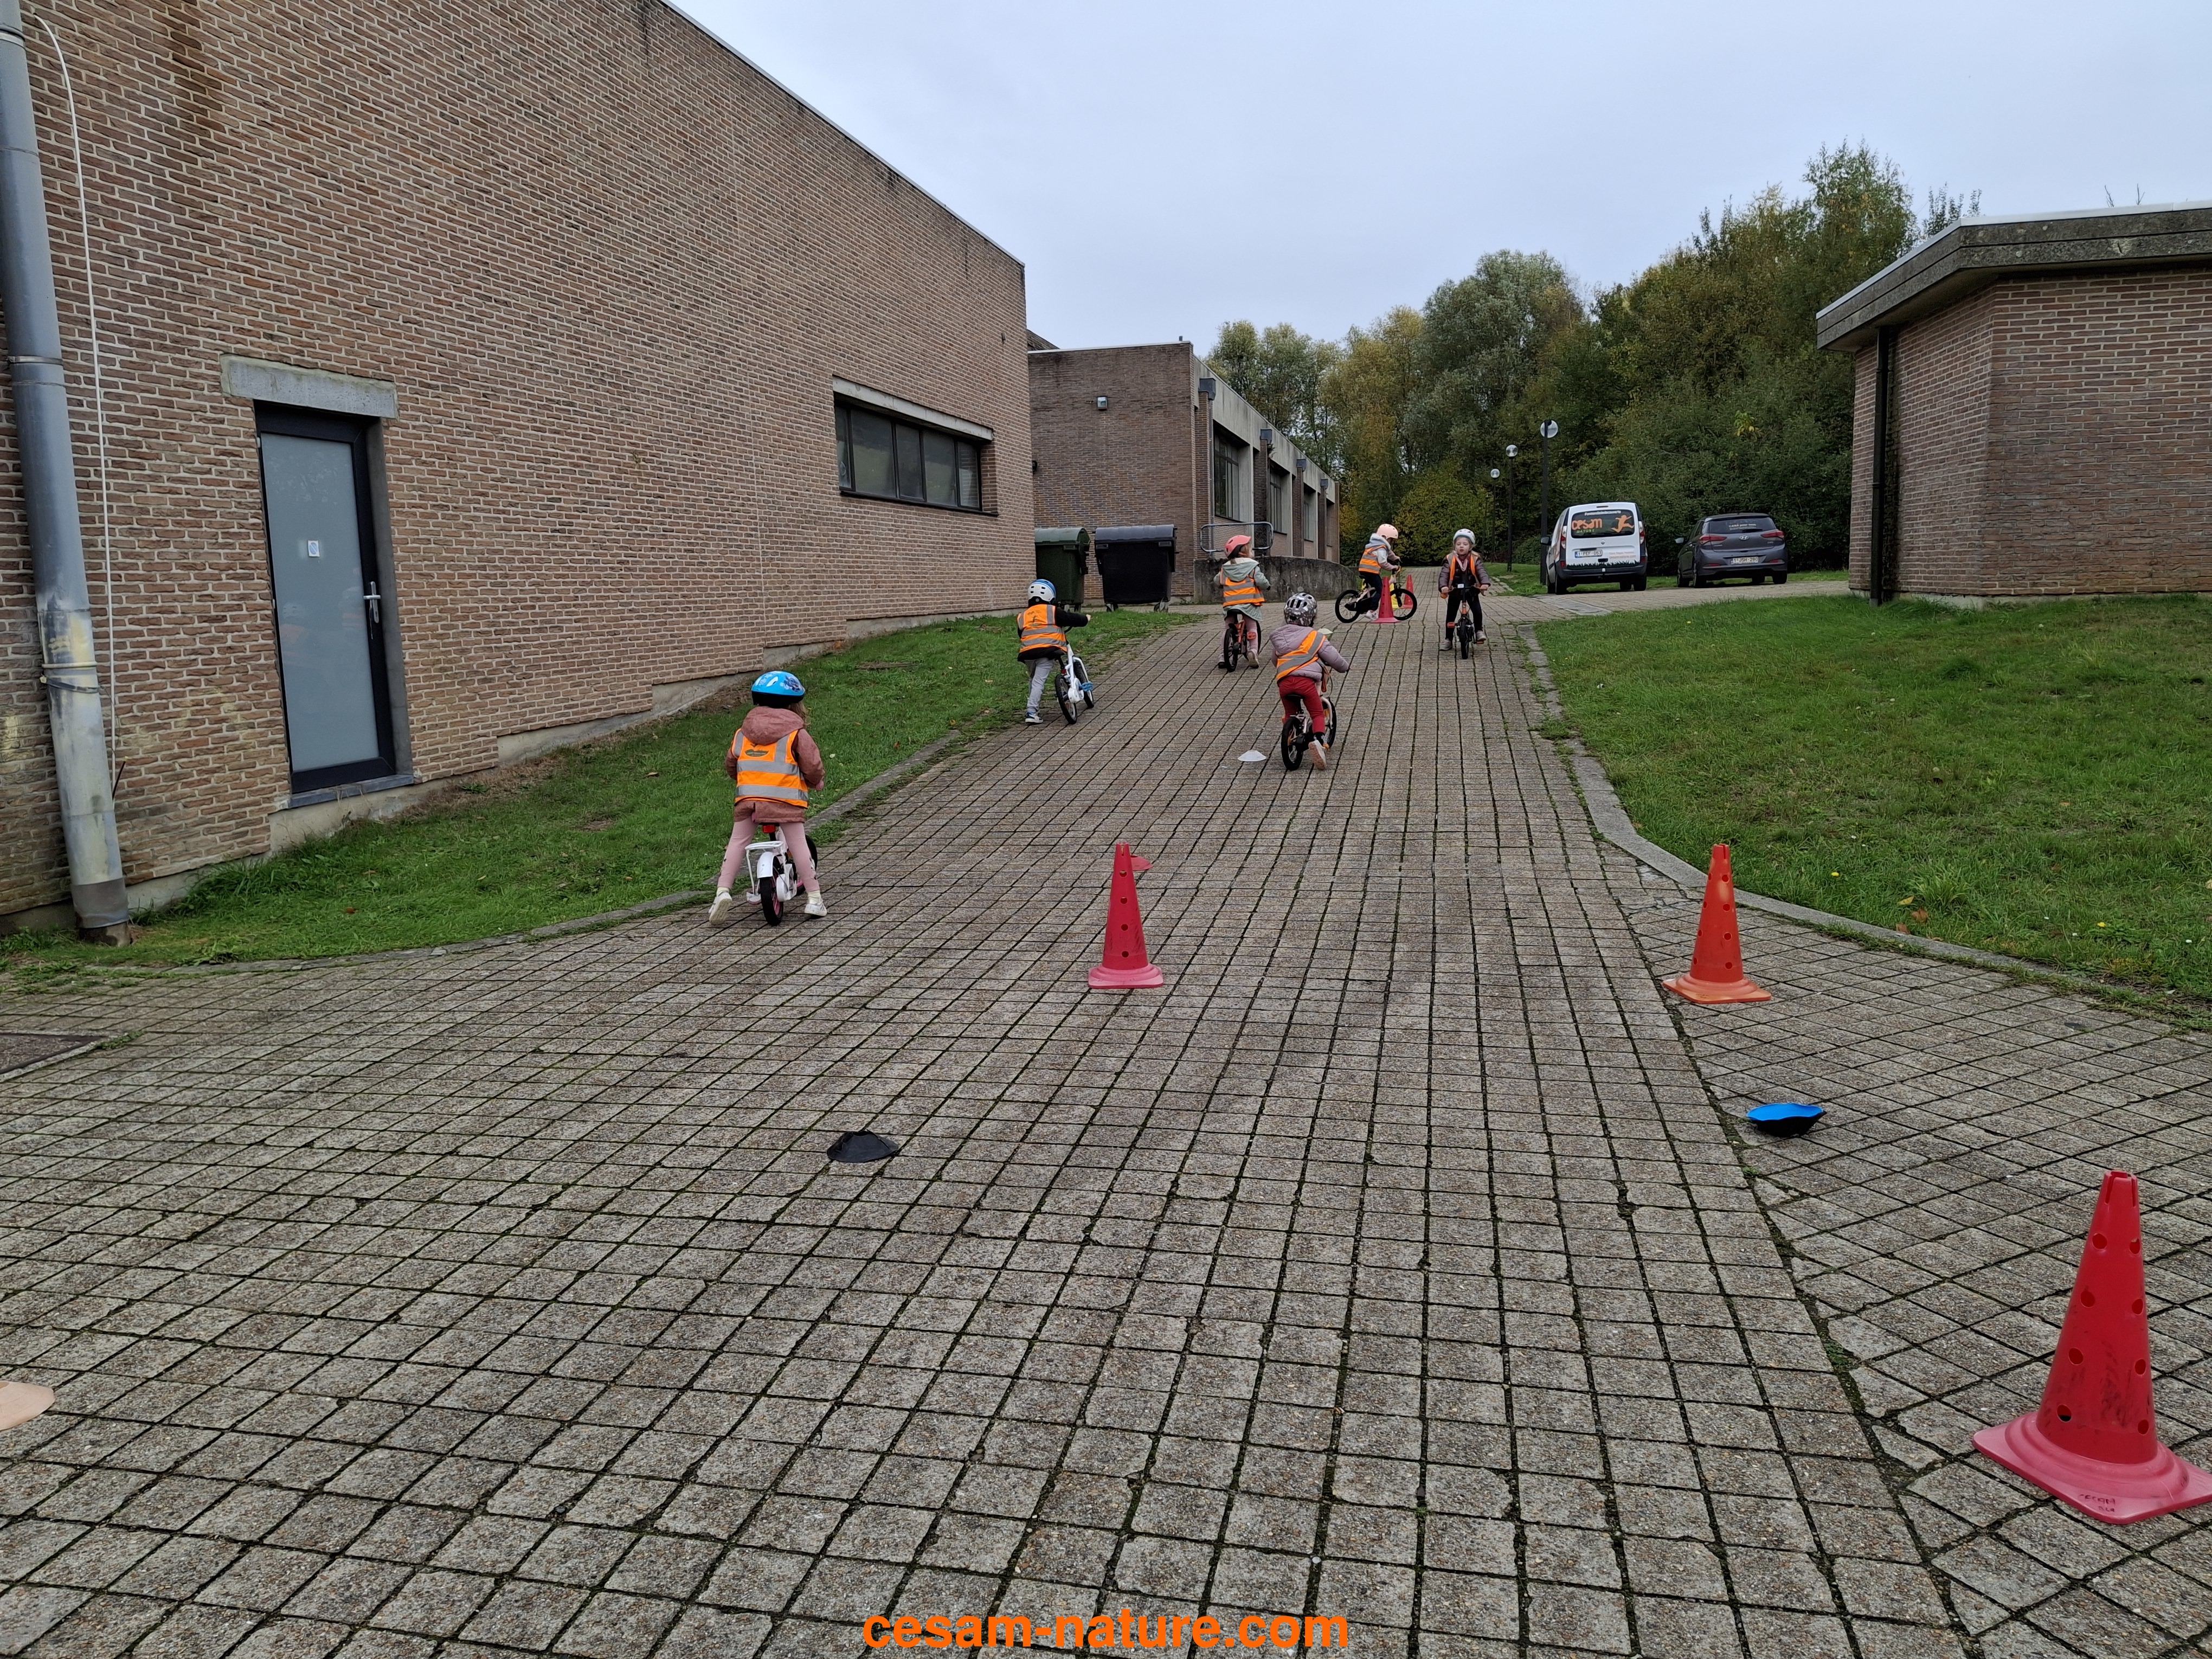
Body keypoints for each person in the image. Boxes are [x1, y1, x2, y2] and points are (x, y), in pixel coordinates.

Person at [709, 670, 826, 923]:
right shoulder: (796, 733)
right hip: (785, 801)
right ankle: (815, 899)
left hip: (749, 799)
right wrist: (816, 781)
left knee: (738, 842)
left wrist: (746, 780)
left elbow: (731, 763)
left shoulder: (742, 733)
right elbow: (812, 764)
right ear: (794, 704)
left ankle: (722, 892)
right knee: (798, 843)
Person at [1271, 591, 1352, 770]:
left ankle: (1290, 735)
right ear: (1312, 617)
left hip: (1284, 683)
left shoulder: (1280, 637)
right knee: (1316, 714)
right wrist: (1345, 667)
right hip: (1306, 684)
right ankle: (1318, 741)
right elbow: (1333, 658)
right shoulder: (1315, 637)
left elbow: (1275, 660)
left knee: (1291, 713)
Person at [1018, 578, 1091, 724]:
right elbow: (1071, 618)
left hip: (1028, 653)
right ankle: (1031, 712)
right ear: (1050, 596)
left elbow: (1021, 634)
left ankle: (1033, 707)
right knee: (1039, 682)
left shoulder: (1023, 616)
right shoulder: (1052, 611)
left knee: (1034, 680)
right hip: (1047, 651)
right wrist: (1086, 619)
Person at [1217, 534, 1271, 664]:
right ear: (1244, 551)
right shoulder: (1252, 567)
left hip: (1230, 604)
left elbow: (1216, 581)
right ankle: (1253, 651)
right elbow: (1261, 581)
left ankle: (1223, 657)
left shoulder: (1225, 568)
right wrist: (1267, 586)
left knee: (1227, 627)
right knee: (1252, 626)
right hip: (1248, 604)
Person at [1438, 529, 1490, 648]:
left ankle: (1479, 631)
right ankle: (1448, 639)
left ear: (1471, 546)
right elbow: (1444, 574)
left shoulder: (1475, 558)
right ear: (1454, 546)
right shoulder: (1450, 559)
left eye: (1465, 544)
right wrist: (1444, 586)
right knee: (1451, 615)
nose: (1461, 546)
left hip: (1471, 590)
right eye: (1459, 544)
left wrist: (1485, 583)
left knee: (1477, 611)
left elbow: (1481, 572)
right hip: (1455, 591)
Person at [1354, 523, 1400, 615]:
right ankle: (1372, 611)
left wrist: (1396, 558)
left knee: (1374, 588)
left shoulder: (1375, 545)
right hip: (1371, 571)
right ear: (1385, 537)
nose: (1391, 542)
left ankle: (1364, 605)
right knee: (1381, 590)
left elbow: (1389, 553)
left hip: (1363, 569)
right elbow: (1383, 563)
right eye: (1391, 539)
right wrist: (1393, 567)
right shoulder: (1381, 548)